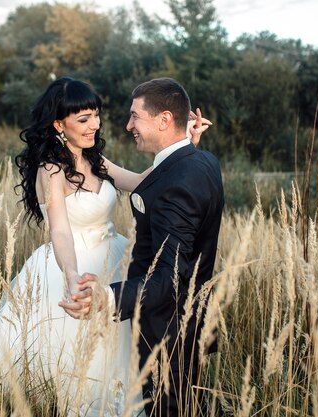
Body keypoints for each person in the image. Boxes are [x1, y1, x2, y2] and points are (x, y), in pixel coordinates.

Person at [0, 77, 211, 416]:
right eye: (83, 119)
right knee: (76, 365)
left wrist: (185, 142)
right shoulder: (51, 169)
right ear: (60, 124)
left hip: (114, 260)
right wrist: (72, 274)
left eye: (96, 115)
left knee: (120, 352)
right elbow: (59, 231)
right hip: (71, 263)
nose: (95, 125)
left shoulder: (96, 160)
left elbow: (142, 182)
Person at [59, 78, 224, 417]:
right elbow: (156, 179)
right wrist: (189, 142)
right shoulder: (204, 162)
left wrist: (107, 298)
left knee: (169, 407)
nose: (127, 124)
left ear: (164, 120)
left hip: (167, 326)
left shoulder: (177, 182)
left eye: (135, 116)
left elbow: (169, 277)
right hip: (187, 316)